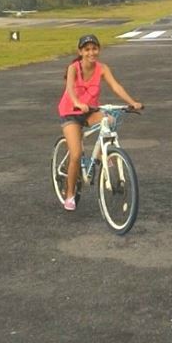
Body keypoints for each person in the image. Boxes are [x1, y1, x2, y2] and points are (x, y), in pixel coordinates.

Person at [57, 34, 143, 211]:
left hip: (90, 111)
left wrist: (132, 102)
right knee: (75, 154)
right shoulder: (74, 68)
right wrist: (77, 102)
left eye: (94, 49)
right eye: (87, 49)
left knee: (110, 119)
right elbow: (70, 89)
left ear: (99, 50)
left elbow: (116, 86)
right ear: (80, 52)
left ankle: (102, 155)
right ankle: (70, 194)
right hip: (70, 112)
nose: (91, 53)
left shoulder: (102, 68)